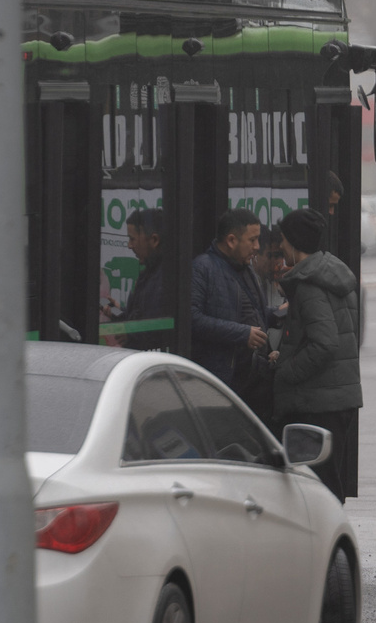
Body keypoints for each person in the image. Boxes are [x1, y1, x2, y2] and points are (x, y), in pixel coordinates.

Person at [270, 208, 362, 499]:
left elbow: (324, 343)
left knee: (319, 487)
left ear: (295, 242)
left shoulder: (310, 284)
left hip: (318, 402)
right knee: (327, 479)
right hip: (336, 398)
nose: (280, 246)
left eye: (283, 240)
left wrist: (285, 370)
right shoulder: (333, 274)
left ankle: (331, 542)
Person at [187, 207, 271, 409]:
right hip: (223, 382)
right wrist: (242, 334)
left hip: (253, 380)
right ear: (232, 240)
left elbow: (248, 312)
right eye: (252, 240)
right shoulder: (203, 268)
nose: (257, 247)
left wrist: (275, 314)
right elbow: (192, 319)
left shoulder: (247, 269)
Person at [121, 208, 168, 326]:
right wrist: (119, 313)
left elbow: (152, 326)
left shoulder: (164, 279)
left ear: (154, 240)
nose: (129, 245)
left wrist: (130, 333)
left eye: (132, 239)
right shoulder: (148, 274)